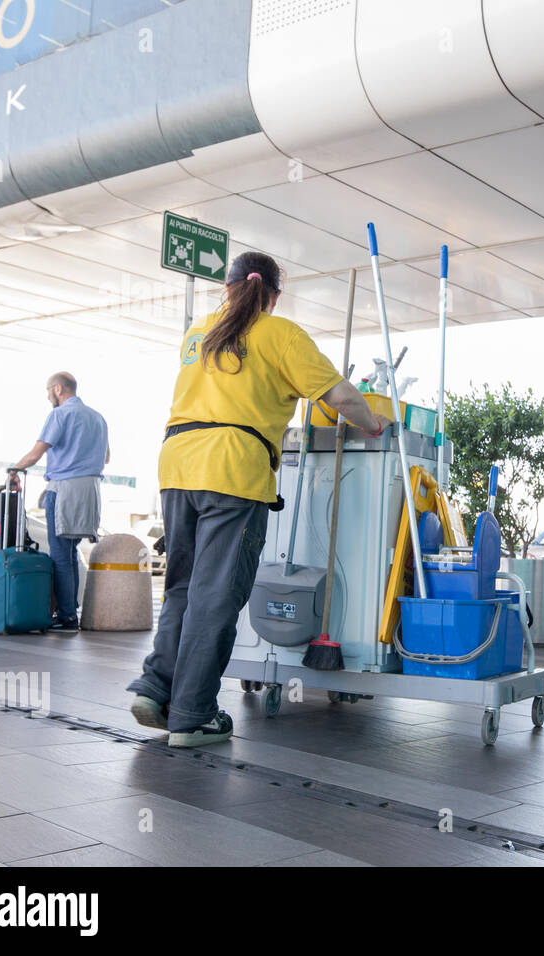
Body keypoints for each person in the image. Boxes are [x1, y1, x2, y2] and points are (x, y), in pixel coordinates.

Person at [127, 251, 385, 749]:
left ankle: (156, 689)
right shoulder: (280, 334)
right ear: (274, 295)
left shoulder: (198, 332)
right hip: (233, 471)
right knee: (216, 594)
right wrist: (374, 424)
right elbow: (342, 397)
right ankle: (192, 715)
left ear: (226, 287)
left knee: (182, 587)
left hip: (177, 464)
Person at [11, 372, 110, 631]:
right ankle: (69, 613)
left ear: (57, 388)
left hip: (65, 490)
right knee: (69, 553)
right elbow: (106, 457)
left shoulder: (60, 415)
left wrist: (13, 469)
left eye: (47, 391)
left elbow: (36, 453)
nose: (47, 396)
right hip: (90, 493)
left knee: (60, 557)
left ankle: (67, 616)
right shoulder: (98, 418)